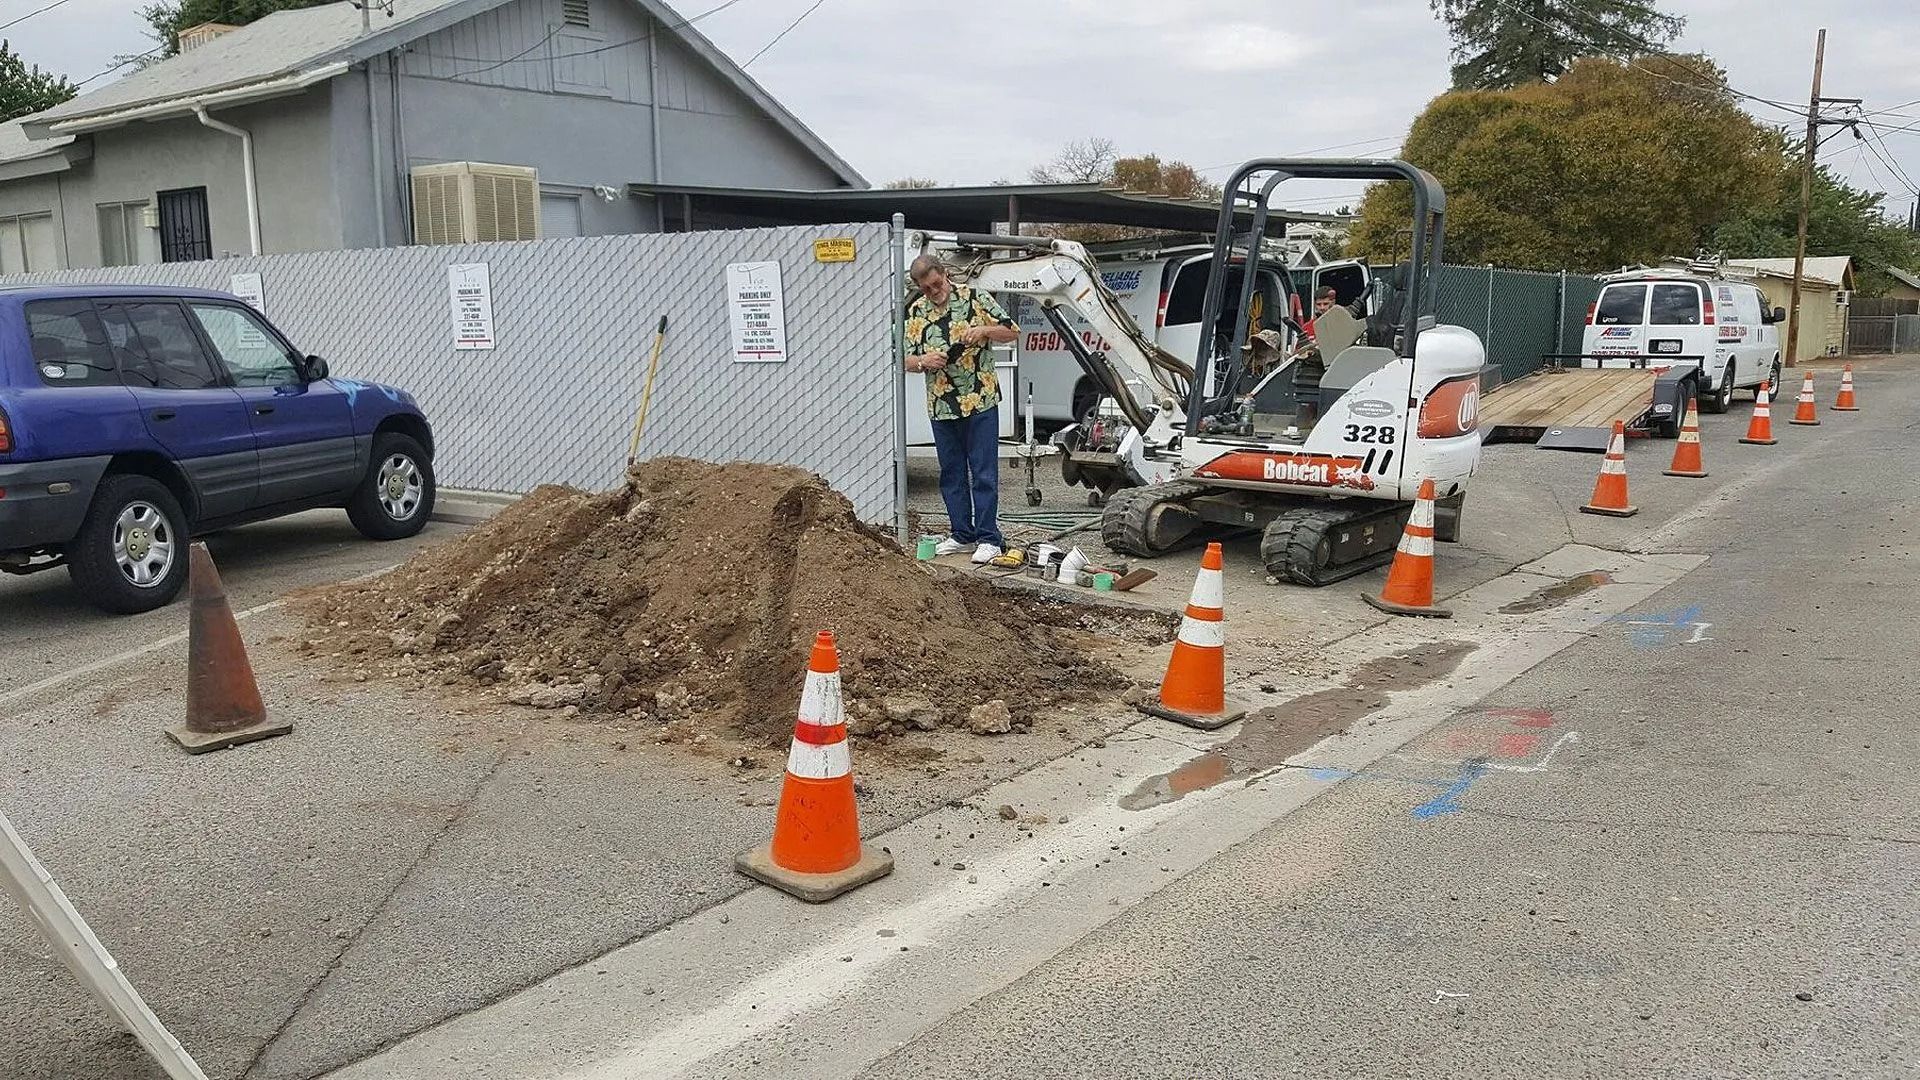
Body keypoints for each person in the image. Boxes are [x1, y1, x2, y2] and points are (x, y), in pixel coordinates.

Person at [904, 254, 1019, 563]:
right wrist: (923, 362)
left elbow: (1012, 331)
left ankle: (988, 538)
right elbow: (904, 360)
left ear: (945, 274)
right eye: (926, 289)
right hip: (942, 406)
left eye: (936, 284)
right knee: (951, 473)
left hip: (980, 400)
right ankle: (961, 534)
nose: (933, 292)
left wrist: (984, 331)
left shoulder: (975, 298)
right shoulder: (916, 312)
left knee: (983, 472)